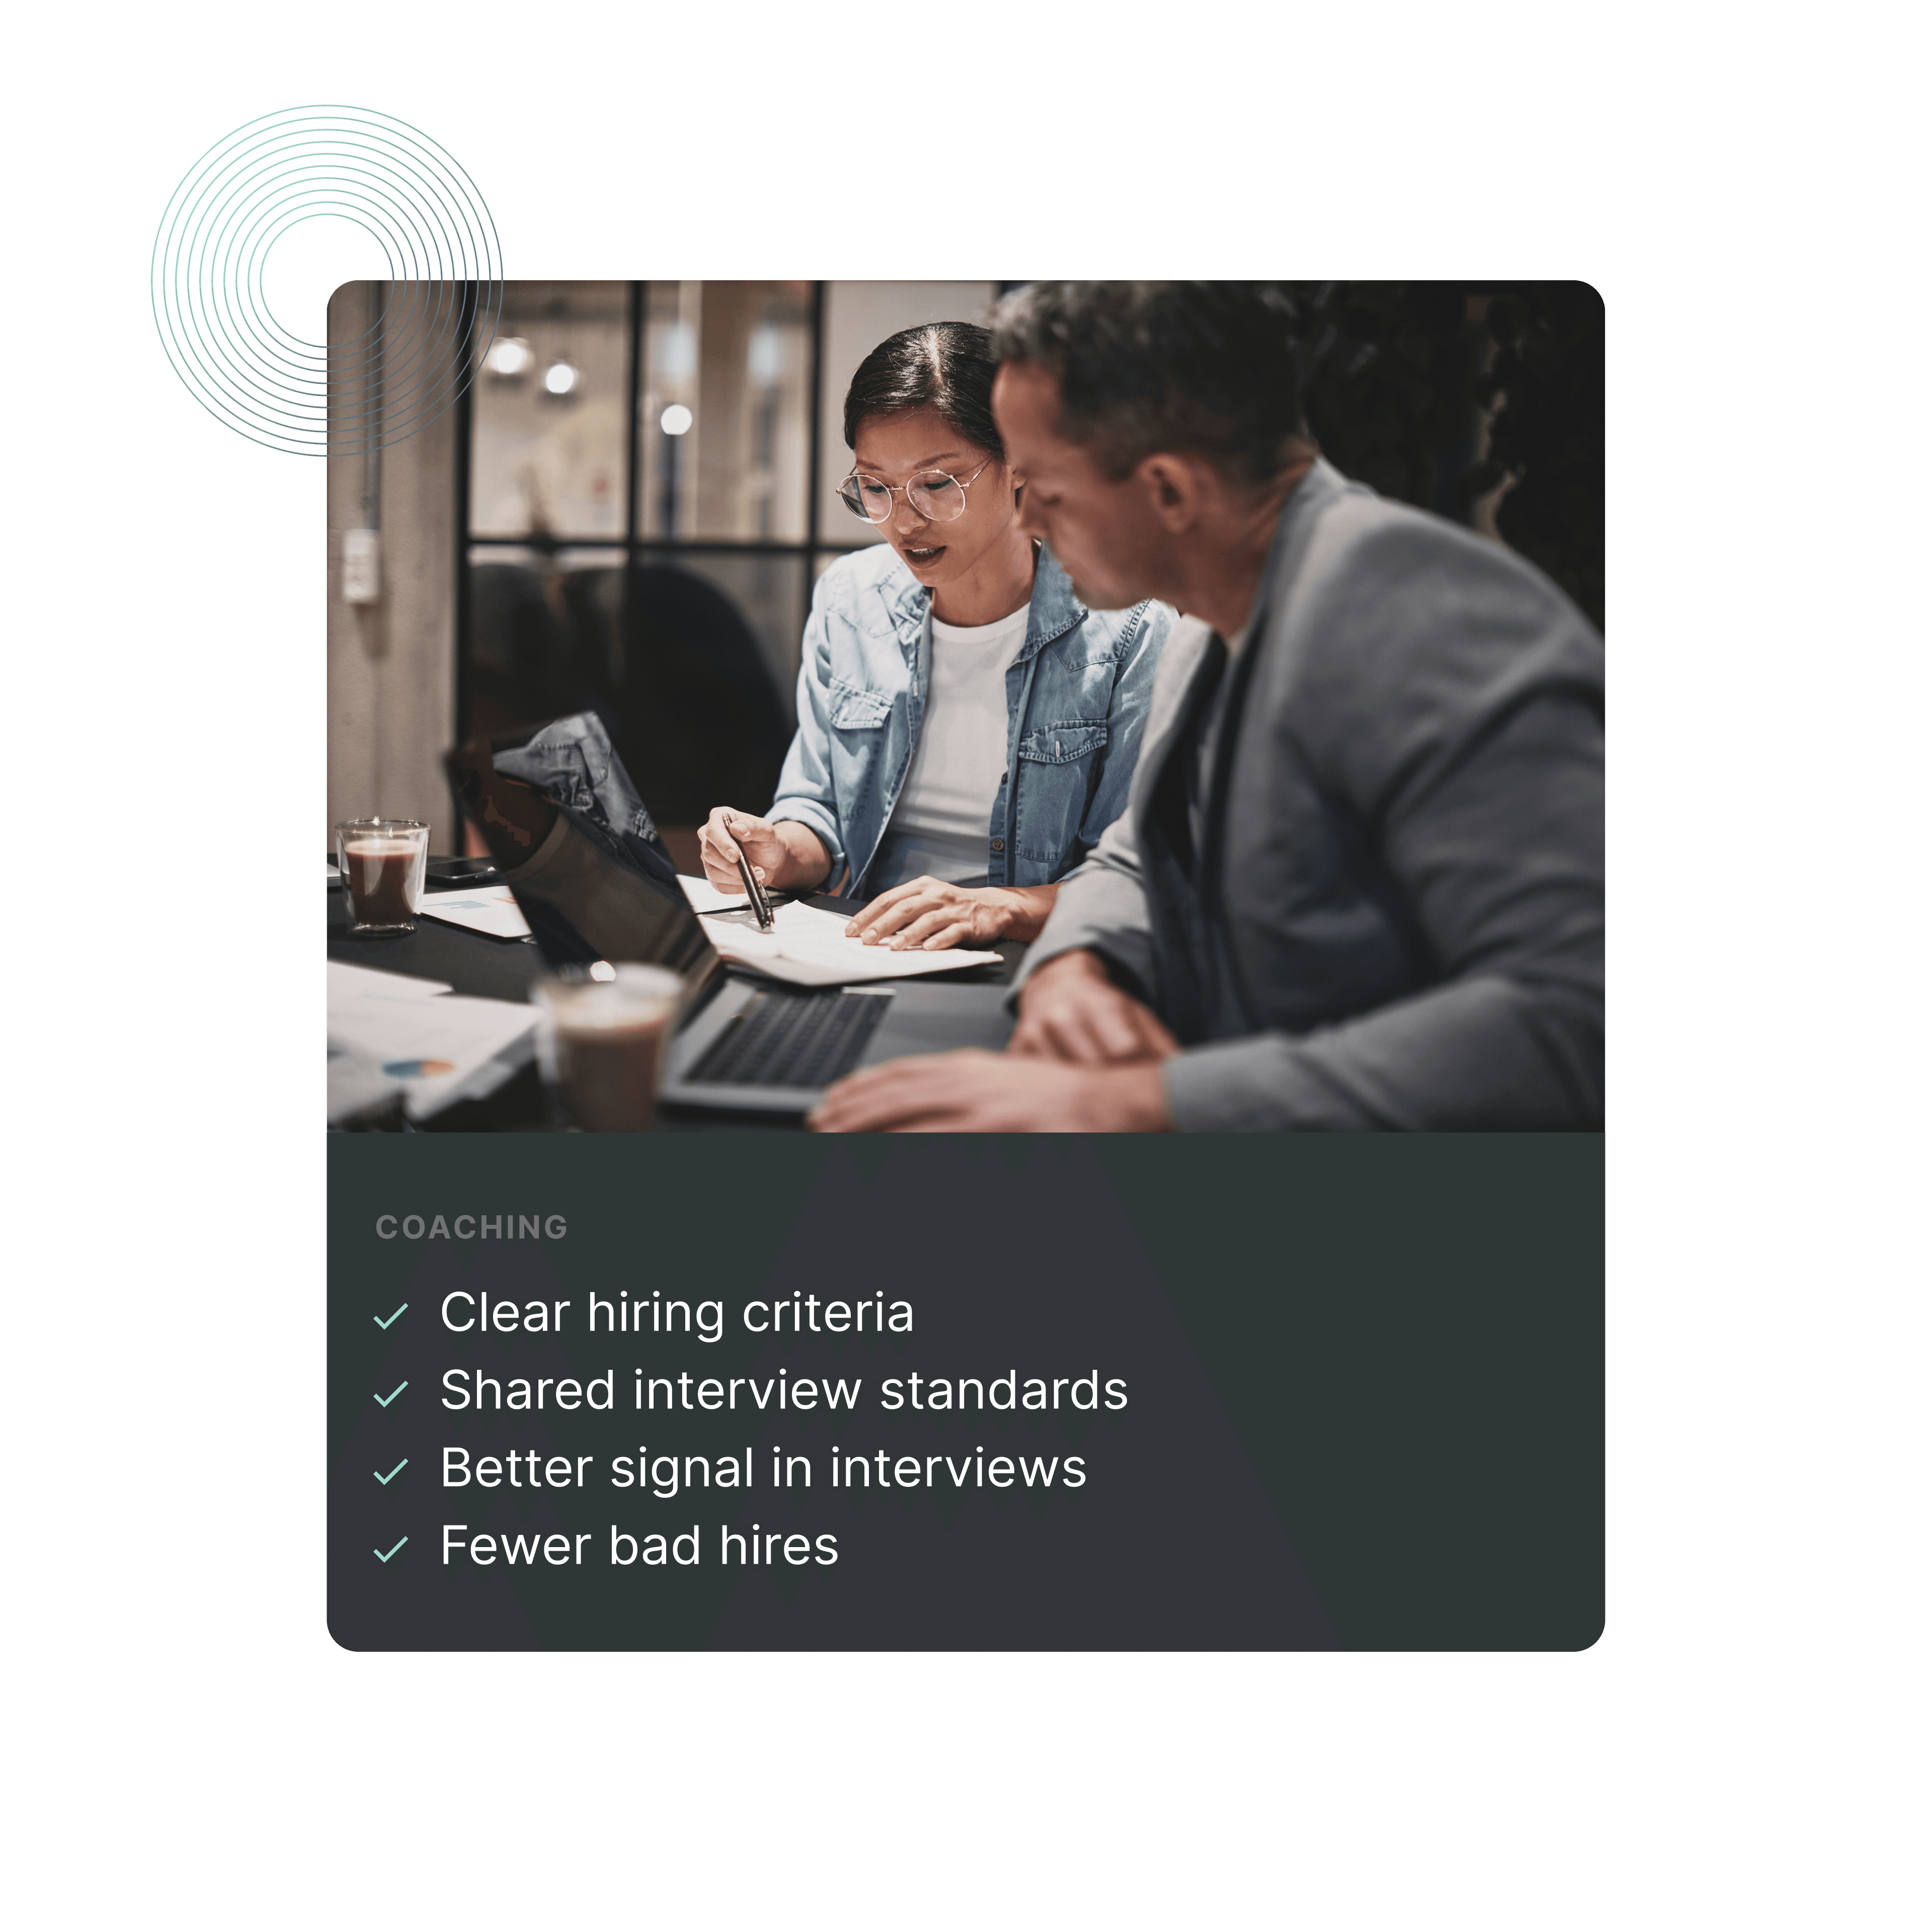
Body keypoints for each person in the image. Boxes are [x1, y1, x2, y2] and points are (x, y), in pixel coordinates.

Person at [809, 282, 1604, 1132]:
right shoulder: (1214, 618)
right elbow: (1142, 856)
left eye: (1046, 484)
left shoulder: (1427, 620)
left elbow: (1580, 1017)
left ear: (1171, 493)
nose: (1025, 512)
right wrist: (1077, 966)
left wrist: (1142, 1103)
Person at [699, 322, 1172, 953]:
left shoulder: (1131, 625)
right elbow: (819, 814)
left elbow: (1137, 876)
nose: (903, 520)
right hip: (861, 942)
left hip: (1032, 962)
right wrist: (775, 850)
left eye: (937, 483)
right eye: (875, 487)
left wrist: (997, 909)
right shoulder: (851, 599)